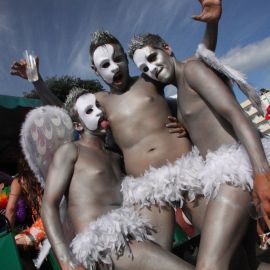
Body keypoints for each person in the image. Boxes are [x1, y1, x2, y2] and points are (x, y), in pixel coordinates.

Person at [11, 1, 221, 253]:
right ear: (95, 70)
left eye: (118, 59)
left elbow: (192, 68)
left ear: (126, 57)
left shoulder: (148, 80)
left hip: (187, 169)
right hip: (146, 187)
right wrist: (38, 82)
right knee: (158, 255)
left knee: (218, 242)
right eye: (105, 65)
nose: (114, 67)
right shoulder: (100, 101)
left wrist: (212, 25)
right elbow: (66, 110)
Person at [128, 29, 270, 270]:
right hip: (219, 179)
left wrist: (261, 173)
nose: (151, 69)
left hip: (237, 172)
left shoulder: (192, 70)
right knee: (246, 263)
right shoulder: (180, 93)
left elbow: (235, 115)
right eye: (144, 69)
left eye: (152, 59)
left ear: (167, 48)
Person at [40, 88, 198, 270]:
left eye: (99, 105)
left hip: (130, 232)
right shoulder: (71, 151)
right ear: (78, 125)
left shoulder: (115, 156)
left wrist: (181, 130)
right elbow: (49, 205)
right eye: (90, 110)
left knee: (157, 199)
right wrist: (65, 259)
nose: (99, 111)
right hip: (100, 245)